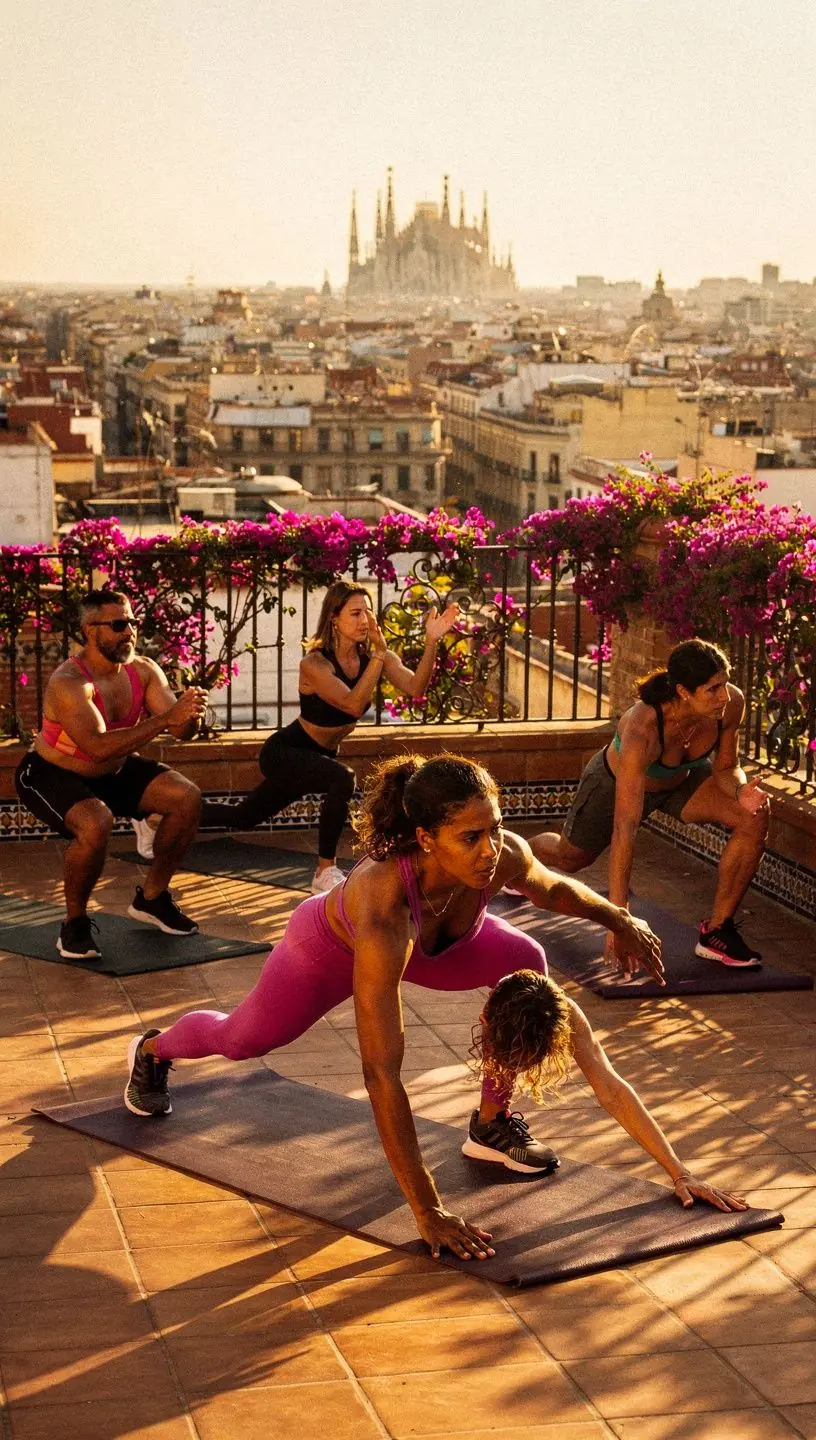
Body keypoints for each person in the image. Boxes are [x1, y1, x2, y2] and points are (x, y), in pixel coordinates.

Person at [124, 752, 747, 1262]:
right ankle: (153, 1049)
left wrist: (618, 915)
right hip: (328, 952)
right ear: (425, 839)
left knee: (526, 963)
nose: (487, 850)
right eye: (469, 838)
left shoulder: (497, 854)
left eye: (494, 829)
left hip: (441, 941)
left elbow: (552, 887)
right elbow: (381, 1074)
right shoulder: (380, 903)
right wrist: (427, 1209)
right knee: (243, 1040)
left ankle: (491, 1124)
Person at [200, 579, 460, 894]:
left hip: (320, 757)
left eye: (368, 611)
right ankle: (325, 870)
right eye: (354, 613)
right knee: (343, 779)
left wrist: (431, 641)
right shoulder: (315, 663)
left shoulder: (375, 657)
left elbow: (416, 688)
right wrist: (379, 657)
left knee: (243, 817)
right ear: (333, 618)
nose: (365, 620)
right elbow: (351, 705)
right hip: (287, 751)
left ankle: (160, 817)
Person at [528, 638, 770, 973]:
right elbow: (625, 827)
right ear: (684, 691)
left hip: (682, 780)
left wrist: (741, 790)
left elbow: (726, 767)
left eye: (725, 683)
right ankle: (523, 857)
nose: (724, 696)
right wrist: (620, 922)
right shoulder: (642, 727)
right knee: (571, 858)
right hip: (613, 782)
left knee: (754, 815)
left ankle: (717, 933)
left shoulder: (730, 705)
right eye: (713, 689)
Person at [15, 588, 208, 961]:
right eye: (118, 624)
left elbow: (180, 731)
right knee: (96, 822)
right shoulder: (69, 682)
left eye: (132, 622)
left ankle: (152, 899)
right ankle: (74, 924)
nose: (129, 632)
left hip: (113, 766)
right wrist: (168, 718)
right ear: (90, 630)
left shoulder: (144, 670)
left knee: (186, 797)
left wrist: (190, 715)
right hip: (50, 772)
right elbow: (97, 746)